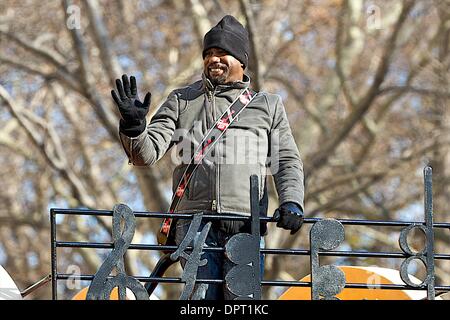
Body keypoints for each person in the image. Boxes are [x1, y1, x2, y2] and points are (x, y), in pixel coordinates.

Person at [112, 15, 304, 300]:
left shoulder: (268, 105)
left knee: (243, 304)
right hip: (194, 225)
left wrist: (292, 202)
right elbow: (146, 154)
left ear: (242, 60)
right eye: (208, 53)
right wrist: (133, 128)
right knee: (200, 302)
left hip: (246, 226)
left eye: (222, 53)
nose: (213, 58)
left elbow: (286, 160)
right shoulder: (182, 99)